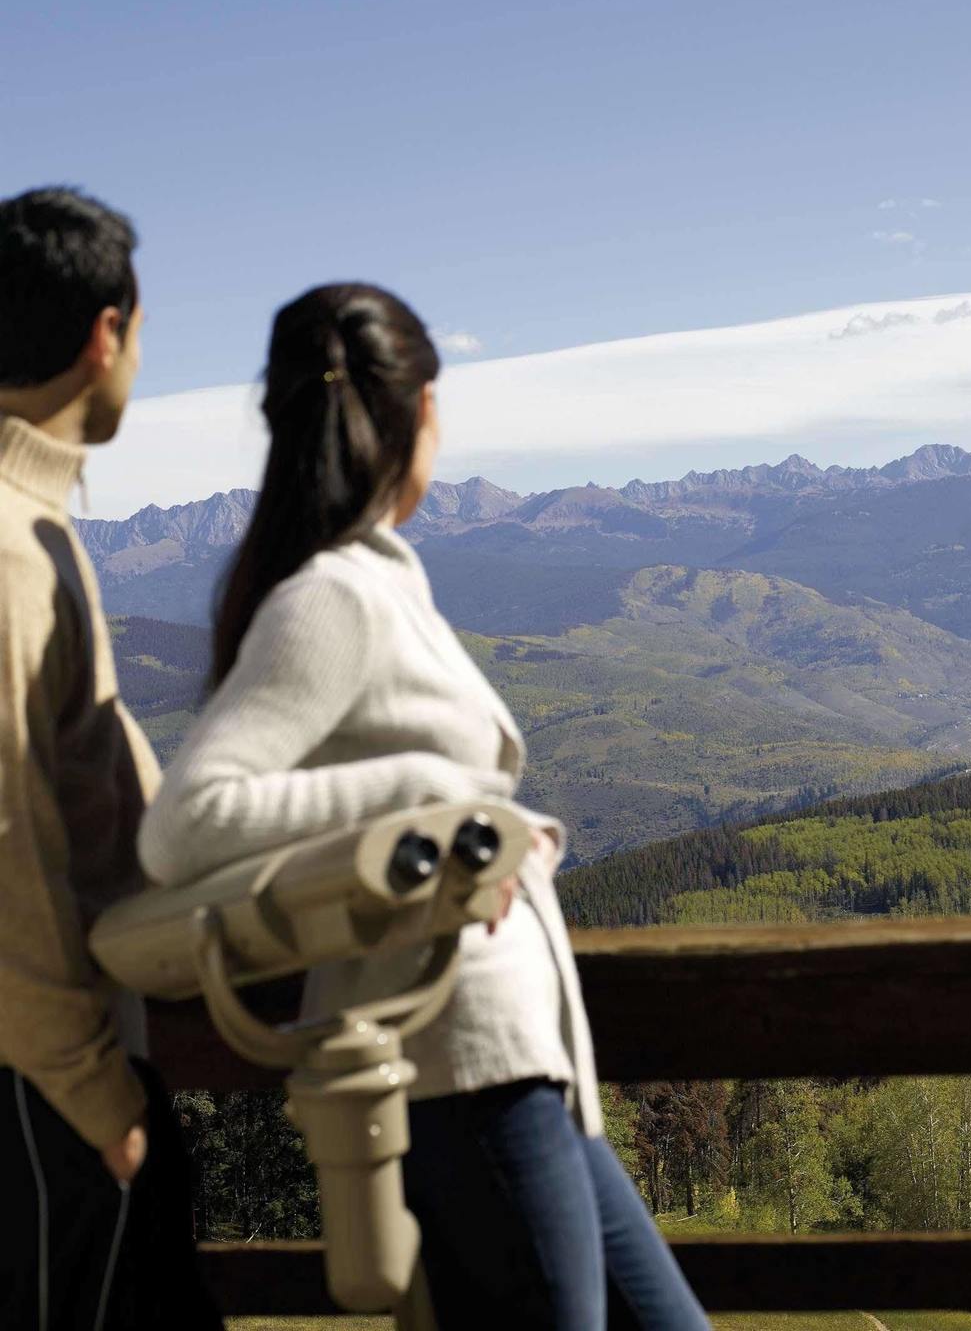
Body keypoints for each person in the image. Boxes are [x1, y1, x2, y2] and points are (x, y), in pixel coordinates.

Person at [139, 281, 711, 1331]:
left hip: (522, 1067)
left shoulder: (372, 581)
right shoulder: (333, 599)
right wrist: (423, 796)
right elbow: (188, 822)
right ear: (416, 414)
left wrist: (478, 826)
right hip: (461, 1065)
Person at [0, 186, 223, 1331]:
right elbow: (7, 853)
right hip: (41, 1091)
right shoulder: (8, 548)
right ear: (107, 333)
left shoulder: (39, 522)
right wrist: (96, 1098)